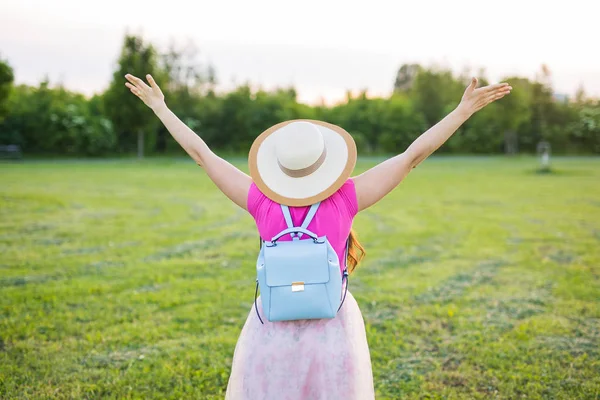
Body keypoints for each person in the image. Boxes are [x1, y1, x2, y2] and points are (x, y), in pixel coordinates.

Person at [124, 73, 511, 399]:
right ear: (327, 163)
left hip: (272, 325)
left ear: (277, 166)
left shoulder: (259, 199)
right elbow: (412, 156)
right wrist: (461, 112)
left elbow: (202, 154)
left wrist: (161, 108)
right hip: (332, 327)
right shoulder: (345, 197)